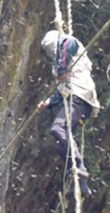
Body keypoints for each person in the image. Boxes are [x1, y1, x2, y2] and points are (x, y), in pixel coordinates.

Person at [36, 29, 99, 196]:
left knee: (58, 129)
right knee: (61, 147)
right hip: (78, 99)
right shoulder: (66, 61)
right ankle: (80, 183)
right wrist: (48, 103)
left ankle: (80, 168)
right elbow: (62, 90)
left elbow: (66, 43)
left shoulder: (68, 43)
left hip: (79, 98)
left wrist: (62, 70)